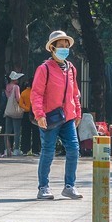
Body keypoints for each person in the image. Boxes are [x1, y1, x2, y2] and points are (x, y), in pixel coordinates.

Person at [31, 30, 83, 200]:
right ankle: (43, 187)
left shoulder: (71, 69)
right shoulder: (44, 68)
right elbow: (36, 93)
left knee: (74, 150)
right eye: (61, 46)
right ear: (52, 48)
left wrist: (77, 112)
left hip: (68, 117)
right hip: (50, 117)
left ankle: (70, 186)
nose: (65, 49)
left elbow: (75, 93)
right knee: (48, 151)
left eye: (66, 46)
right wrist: (39, 115)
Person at [3, 71, 25, 157]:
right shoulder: (16, 87)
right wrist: (24, 106)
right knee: (16, 131)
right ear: (14, 79)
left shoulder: (7, 86)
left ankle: (6, 149)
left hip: (8, 110)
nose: (19, 80)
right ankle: (16, 149)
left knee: (7, 131)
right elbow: (18, 99)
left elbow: (9, 98)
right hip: (15, 111)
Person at [18, 83, 40, 156]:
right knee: (36, 132)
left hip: (26, 114)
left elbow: (20, 104)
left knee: (25, 132)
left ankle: (24, 150)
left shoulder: (24, 92)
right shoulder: (36, 92)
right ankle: (36, 150)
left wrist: (27, 109)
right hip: (35, 114)